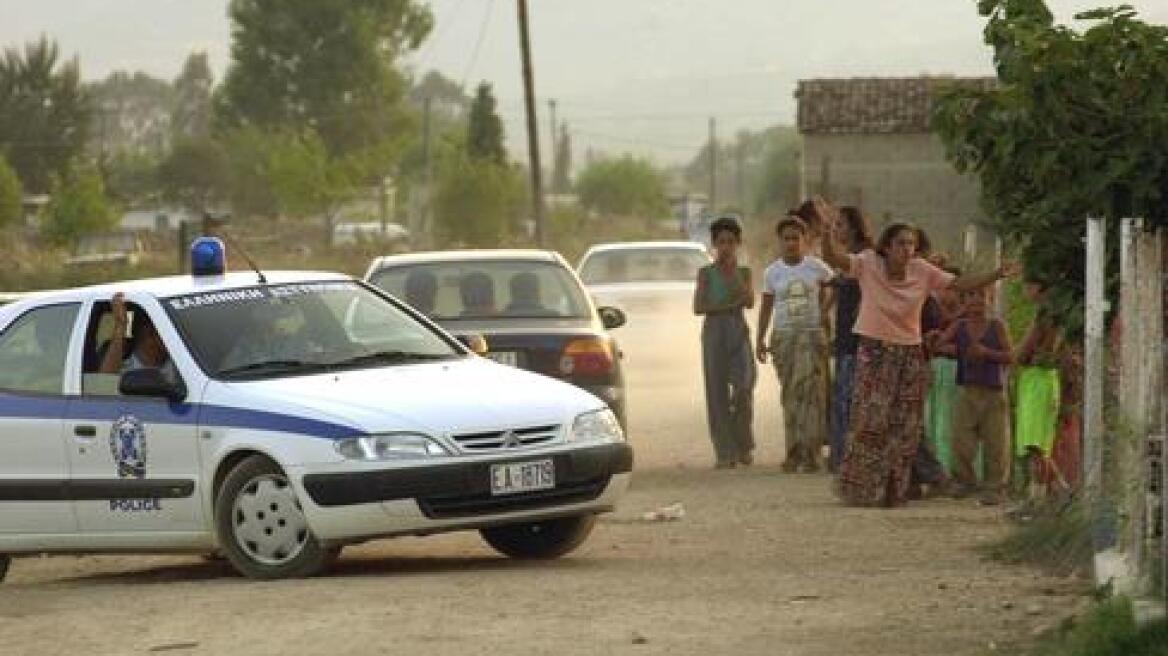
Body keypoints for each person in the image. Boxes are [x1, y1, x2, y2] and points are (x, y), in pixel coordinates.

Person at [817, 197, 1017, 507]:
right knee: (872, 419)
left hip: (910, 355)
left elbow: (960, 283)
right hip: (875, 351)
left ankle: (895, 487)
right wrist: (828, 230)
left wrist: (995, 275)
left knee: (905, 424)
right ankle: (861, 486)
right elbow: (835, 258)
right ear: (887, 246)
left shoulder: (922, 271)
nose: (907, 250)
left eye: (911, 244)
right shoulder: (869, 264)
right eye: (900, 243)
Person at [756, 216, 834, 473]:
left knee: (813, 395)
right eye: (786, 238)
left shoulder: (816, 267)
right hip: (784, 337)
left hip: (811, 336)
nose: (791, 243)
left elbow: (834, 286)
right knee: (790, 394)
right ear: (780, 241)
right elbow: (766, 307)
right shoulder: (772, 272)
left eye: (795, 238)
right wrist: (759, 339)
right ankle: (793, 451)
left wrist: (824, 310)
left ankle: (811, 453)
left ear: (805, 240)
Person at [936, 287, 1014, 505]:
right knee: (961, 438)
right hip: (968, 390)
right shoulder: (960, 326)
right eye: (970, 297)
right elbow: (941, 344)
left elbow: (1010, 355)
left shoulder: (997, 326)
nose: (976, 302)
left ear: (989, 300)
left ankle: (994, 487)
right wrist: (958, 351)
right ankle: (964, 481)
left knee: (995, 442)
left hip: (992, 391)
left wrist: (987, 353)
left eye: (981, 297)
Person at [694, 216, 756, 469]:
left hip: (737, 330)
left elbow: (750, 301)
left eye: (731, 242)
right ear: (714, 244)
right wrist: (732, 301)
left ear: (738, 243)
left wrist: (733, 286)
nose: (726, 247)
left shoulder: (744, 272)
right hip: (714, 332)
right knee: (717, 392)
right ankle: (725, 451)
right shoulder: (705, 273)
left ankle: (743, 443)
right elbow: (699, 307)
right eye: (721, 242)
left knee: (744, 386)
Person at [827, 206, 872, 472]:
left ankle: (851, 460)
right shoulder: (852, 258)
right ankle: (844, 458)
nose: (836, 230)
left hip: (859, 340)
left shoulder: (864, 257)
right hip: (846, 338)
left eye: (840, 225)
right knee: (844, 399)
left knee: (852, 402)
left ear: (854, 228)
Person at [99, 292, 177, 382]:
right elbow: (104, 382)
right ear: (148, 333)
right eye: (166, 328)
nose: (174, 337)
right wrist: (121, 324)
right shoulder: (126, 367)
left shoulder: (179, 362)